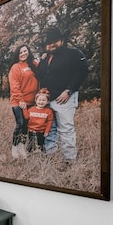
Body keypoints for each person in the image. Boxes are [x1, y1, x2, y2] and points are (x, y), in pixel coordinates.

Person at [37, 28, 88, 161]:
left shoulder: (73, 53)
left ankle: (69, 160)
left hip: (64, 98)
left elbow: (82, 71)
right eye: (49, 43)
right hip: (49, 99)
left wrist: (69, 90)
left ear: (62, 40)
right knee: (50, 129)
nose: (52, 45)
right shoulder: (45, 59)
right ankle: (50, 157)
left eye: (55, 41)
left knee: (66, 129)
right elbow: (40, 76)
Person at [8, 44, 39, 159]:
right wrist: (21, 100)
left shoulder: (33, 64)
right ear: (17, 54)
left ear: (29, 52)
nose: (23, 54)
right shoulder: (16, 67)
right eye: (20, 52)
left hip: (32, 101)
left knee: (26, 126)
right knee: (20, 124)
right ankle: (14, 148)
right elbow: (14, 85)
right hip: (18, 101)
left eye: (25, 51)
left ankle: (22, 148)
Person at [23, 88, 54, 153]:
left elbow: (50, 122)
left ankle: (42, 153)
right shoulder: (31, 109)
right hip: (31, 130)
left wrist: (47, 131)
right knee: (31, 143)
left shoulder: (48, 111)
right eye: (39, 100)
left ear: (47, 102)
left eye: (43, 100)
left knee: (41, 143)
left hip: (41, 131)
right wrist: (24, 108)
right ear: (36, 100)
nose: (41, 102)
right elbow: (26, 117)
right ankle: (29, 153)